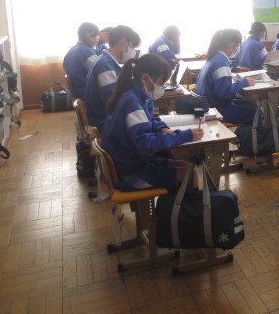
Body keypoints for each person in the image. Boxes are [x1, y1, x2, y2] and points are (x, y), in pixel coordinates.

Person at [101, 53, 204, 192]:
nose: (162, 87)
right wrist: (186, 135)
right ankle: (187, 205)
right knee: (190, 173)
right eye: (161, 82)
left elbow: (149, 120)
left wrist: (163, 129)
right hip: (129, 173)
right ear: (145, 79)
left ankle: (180, 203)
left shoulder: (137, 95)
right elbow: (146, 144)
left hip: (131, 162)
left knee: (187, 167)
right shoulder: (132, 102)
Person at [85, 25, 141, 132]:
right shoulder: (104, 65)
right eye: (133, 46)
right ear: (123, 42)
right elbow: (114, 100)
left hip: (106, 116)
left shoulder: (105, 60)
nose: (133, 51)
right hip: (106, 121)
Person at [196, 29, 258, 124]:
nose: (238, 49)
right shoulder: (221, 63)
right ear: (231, 44)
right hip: (215, 109)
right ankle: (251, 133)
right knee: (254, 112)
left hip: (208, 104)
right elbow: (224, 94)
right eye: (237, 46)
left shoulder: (213, 57)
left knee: (248, 104)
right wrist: (244, 83)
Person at [63, 22, 100, 100]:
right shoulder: (85, 51)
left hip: (78, 91)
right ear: (87, 34)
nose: (98, 38)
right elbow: (100, 71)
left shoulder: (73, 49)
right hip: (88, 92)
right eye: (96, 35)